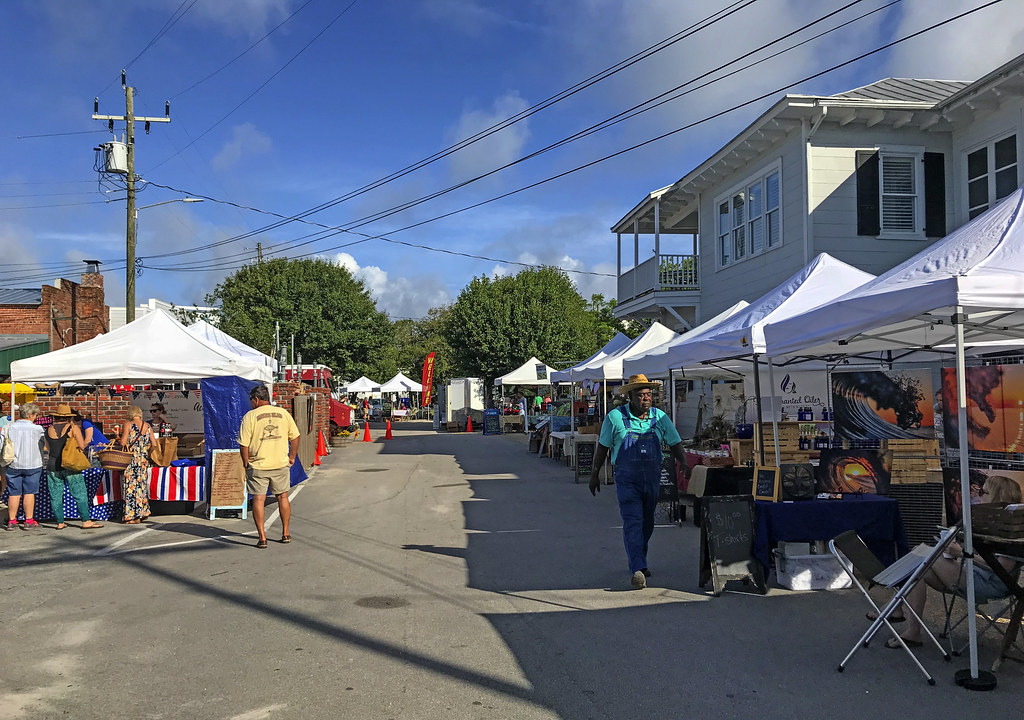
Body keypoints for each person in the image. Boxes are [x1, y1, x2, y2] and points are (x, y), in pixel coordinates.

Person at [889, 475, 1022, 648]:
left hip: (992, 584)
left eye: (983, 492)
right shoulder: (993, 522)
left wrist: (961, 553)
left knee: (922, 556)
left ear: (995, 497)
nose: (980, 496)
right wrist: (959, 546)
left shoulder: (1012, 528)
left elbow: (1000, 568)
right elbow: (987, 553)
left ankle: (893, 608)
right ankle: (912, 629)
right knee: (920, 571)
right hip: (974, 573)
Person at [589, 374, 688, 589]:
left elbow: (675, 443)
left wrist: (685, 463)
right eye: (641, 394)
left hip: (651, 477)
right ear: (630, 397)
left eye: (649, 394)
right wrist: (594, 473)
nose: (646, 398)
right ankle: (637, 568)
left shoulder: (660, 418)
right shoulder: (615, 418)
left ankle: (639, 561)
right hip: (627, 479)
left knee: (647, 523)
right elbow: (603, 447)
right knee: (633, 520)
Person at [238, 385, 300, 549]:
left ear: (256, 399)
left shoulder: (250, 416)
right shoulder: (283, 413)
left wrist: (245, 462)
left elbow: (243, 444)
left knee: (259, 499)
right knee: (283, 497)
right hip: (280, 462)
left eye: (251, 400)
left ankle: (262, 537)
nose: (251, 403)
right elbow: (295, 436)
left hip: (258, 464)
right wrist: (292, 456)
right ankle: (286, 532)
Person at [45, 404, 103, 530]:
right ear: (69, 417)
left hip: (52, 465)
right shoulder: (73, 427)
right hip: (70, 464)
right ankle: (85, 520)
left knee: (56, 495)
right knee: (79, 492)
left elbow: (48, 449)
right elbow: (82, 446)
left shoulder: (48, 429)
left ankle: (60, 522)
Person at [4, 403, 45, 530]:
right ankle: (29, 520)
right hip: (33, 463)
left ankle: (12, 521)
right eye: (35, 415)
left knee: (13, 493)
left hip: (13, 463)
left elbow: (2, 445)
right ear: (30, 415)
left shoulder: (8, 427)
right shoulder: (37, 429)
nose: (36, 417)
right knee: (29, 492)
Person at [118, 405, 157, 524]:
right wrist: (147, 453)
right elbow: (154, 444)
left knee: (130, 486)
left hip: (131, 459)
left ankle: (131, 516)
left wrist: (117, 436)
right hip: (143, 459)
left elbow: (123, 442)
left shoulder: (128, 424)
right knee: (141, 487)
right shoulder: (148, 426)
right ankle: (141, 513)